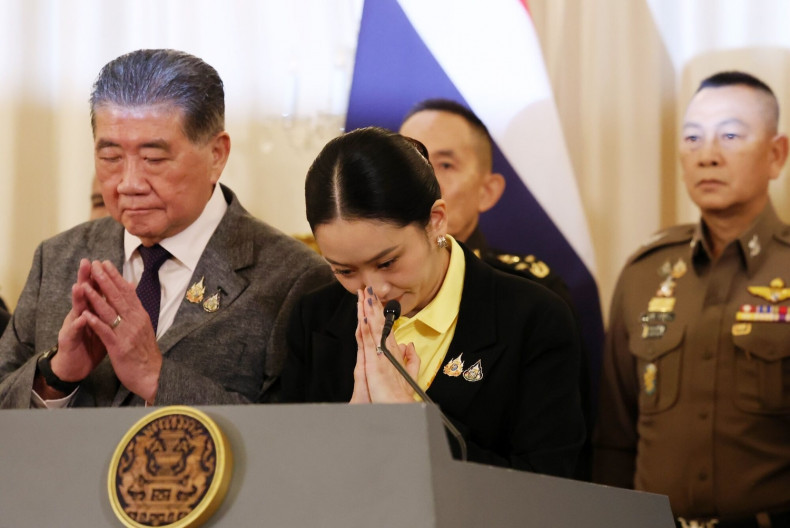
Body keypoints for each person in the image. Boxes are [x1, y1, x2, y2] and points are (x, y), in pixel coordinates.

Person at [0, 49, 333, 408]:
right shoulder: (57, 259)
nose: (129, 183)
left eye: (153, 159)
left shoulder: (294, 280)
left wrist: (157, 378)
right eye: (111, 157)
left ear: (217, 155)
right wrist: (55, 376)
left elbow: (293, 433)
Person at [282, 126, 585, 476]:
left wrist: (407, 423)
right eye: (345, 271)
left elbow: (549, 484)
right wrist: (350, 429)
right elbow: (289, 470)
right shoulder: (314, 317)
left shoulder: (534, 318)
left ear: (435, 221)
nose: (374, 289)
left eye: (387, 262)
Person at [594, 71, 790, 526]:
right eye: (692, 138)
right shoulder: (644, 273)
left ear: (775, 154)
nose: (708, 155)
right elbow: (614, 439)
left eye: (731, 135)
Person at [400, 98, 593, 480]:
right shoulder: (343, 297)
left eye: (445, 165)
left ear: (488, 191)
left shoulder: (532, 298)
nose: (422, 180)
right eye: (410, 161)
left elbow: (554, 469)